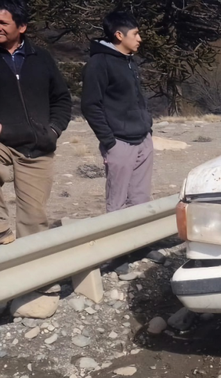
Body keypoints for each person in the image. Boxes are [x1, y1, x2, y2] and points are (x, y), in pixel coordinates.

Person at [0, 0, 71, 245]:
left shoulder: (41, 58)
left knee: (34, 219)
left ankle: (32, 274)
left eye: (2, 23)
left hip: (37, 145)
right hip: (2, 140)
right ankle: (0, 230)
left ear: (21, 27)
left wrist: (53, 130)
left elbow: (61, 98)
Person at [81, 10, 153, 213]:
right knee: (117, 203)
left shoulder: (130, 61)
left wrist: (148, 127)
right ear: (119, 35)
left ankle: (139, 243)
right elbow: (90, 105)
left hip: (143, 140)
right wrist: (109, 141)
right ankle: (119, 243)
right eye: (135, 34)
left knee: (141, 199)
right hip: (119, 143)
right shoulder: (99, 63)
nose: (140, 39)